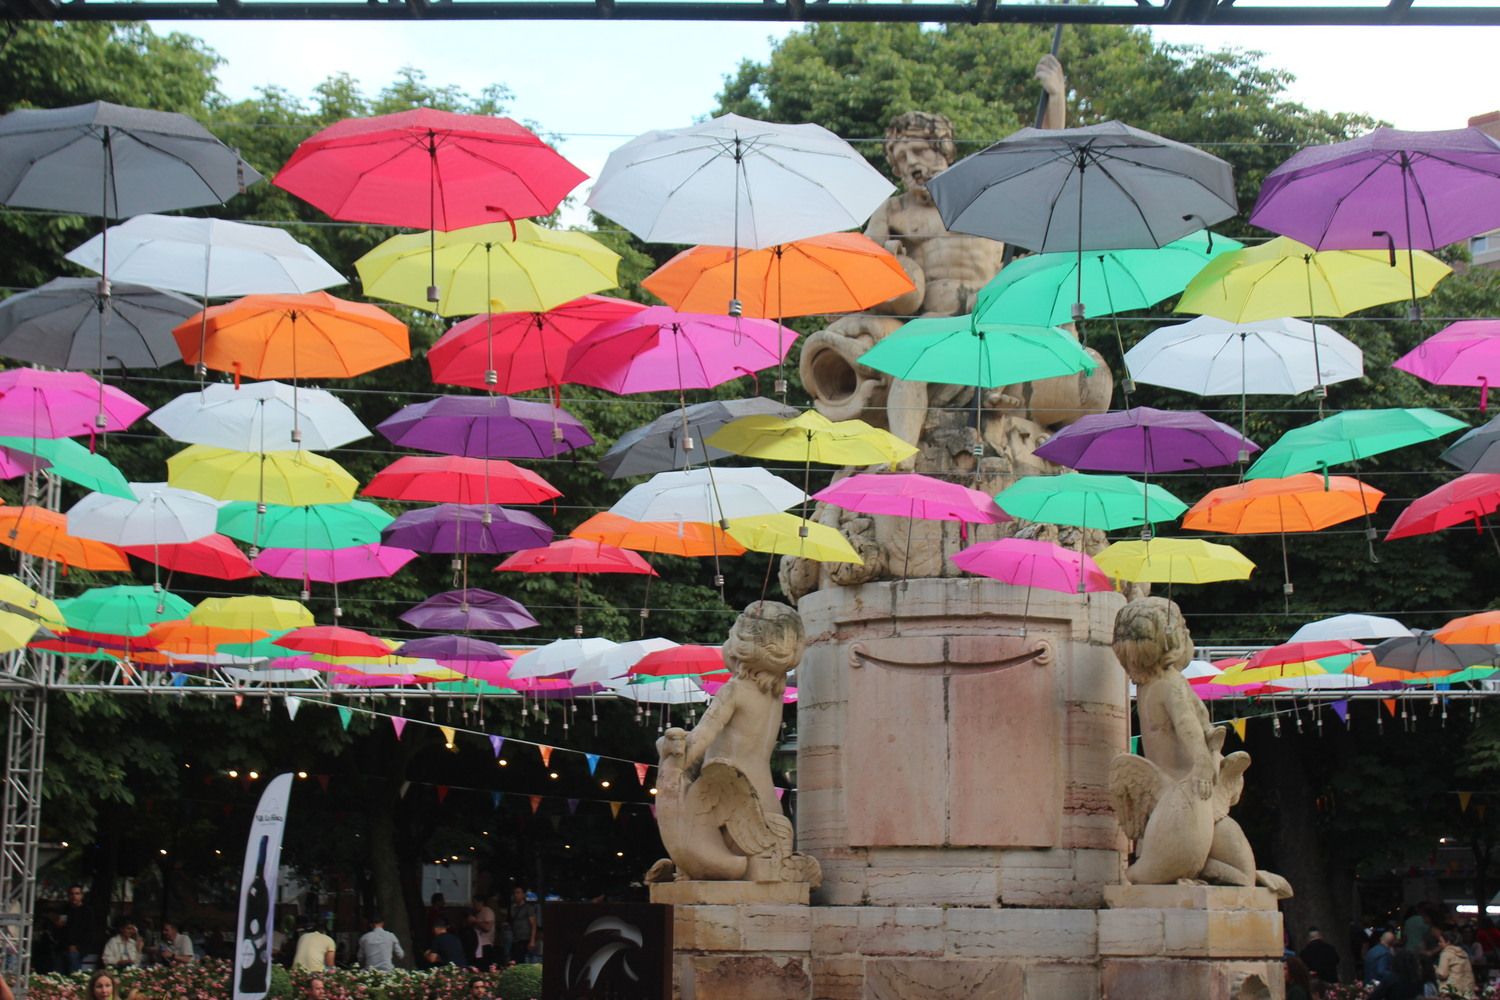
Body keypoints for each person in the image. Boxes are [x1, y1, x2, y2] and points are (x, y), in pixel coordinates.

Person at [1436, 926, 1478, 997]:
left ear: (1448, 942)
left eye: (1441, 942)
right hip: (1467, 990)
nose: (1438, 944)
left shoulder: (1446, 953)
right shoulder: (1463, 953)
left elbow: (1442, 974)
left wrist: (1436, 970)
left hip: (1452, 991)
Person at [61, 884, 94, 973]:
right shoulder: (65, 909)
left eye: (77, 894)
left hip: (79, 948)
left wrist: (77, 947)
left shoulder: (87, 911)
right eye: (72, 894)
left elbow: (89, 932)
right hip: (63, 947)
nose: (74, 896)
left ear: (81, 895)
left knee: (73, 961)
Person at [506, 886, 537, 964]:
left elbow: (533, 924)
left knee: (523, 960)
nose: (516, 895)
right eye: (515, 893)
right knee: (514, 960)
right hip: (515, 938)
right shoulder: (513, 908)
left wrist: (532, 940)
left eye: (518, 893)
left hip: (525, 939)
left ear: (523, 895)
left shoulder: (528, 908)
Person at [468, 897, 495, 969]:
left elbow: (487, 928)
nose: (473, 906)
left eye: (475, 903)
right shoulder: (476, 913)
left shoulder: (487, 911)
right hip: (477, 945)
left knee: (484, 967)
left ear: (480, 903)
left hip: (485, 945)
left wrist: (475, 921)